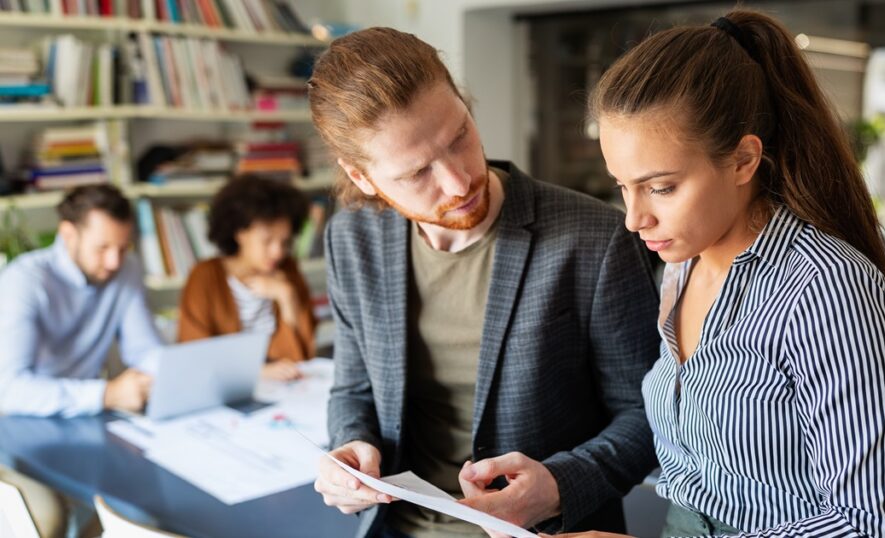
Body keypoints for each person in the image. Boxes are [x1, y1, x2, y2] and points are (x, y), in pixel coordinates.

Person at [548, 10, 885, 538]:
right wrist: (555, 481)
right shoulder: (682, 267)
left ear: (743, 160)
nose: (634, 218)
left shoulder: (829, 292)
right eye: (623, 186)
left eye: (661, 187)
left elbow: (868, 527)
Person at [307, 28, 661, 537]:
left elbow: (650, 415)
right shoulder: (350, 239)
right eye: (417, 173)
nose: (458, 181)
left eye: (459, 137)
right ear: (362, 178)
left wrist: (557, 486)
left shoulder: (596, 238)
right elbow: (353, 388)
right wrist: (348, 450)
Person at [0, 184, 163, 417]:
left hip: (90, 413)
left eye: (122, 248)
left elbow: (144, 349)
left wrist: (161, 375)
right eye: (102, 248)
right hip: (30, 416)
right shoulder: (23, 280)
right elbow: (8, 389)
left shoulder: (128, 268)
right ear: (68, 234)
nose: (114, 262)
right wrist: (107, 394)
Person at [177, 175, 317, 381]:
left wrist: (286, 296)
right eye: (267, 241)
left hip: (283, 387)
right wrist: (256, 373)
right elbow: (194, 356)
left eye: (284, 242)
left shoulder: (288, 270)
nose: (278, 252)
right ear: (240, 233)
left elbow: (301, 356)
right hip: (227, 388)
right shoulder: (204, 276)